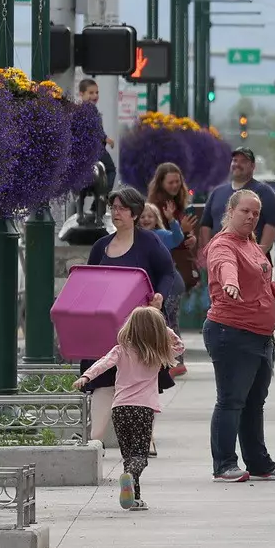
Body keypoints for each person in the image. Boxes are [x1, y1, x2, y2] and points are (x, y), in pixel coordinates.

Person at [201, 189, 275, 484]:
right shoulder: (223, 244)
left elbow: (257, 279)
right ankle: (224, 464)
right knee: (231, 400)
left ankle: (258, 463)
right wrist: (230, 284)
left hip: (260, 336)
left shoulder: (251, 243)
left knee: (254, 402)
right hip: (232, 332)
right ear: (230, 211)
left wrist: (274, 289)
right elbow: (224, 266)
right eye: (245, 211)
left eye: (256, 212)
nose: (252, 217)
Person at [81, 186, 182, 446]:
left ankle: (144, 439)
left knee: (142, 380)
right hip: (104, 325)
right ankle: (95, 442)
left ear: (135, 213)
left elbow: (167, 272)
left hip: (140, 325)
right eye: (113, 208)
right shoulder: (101, 246)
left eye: (122, 208)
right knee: (103, 380)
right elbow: (88, 280)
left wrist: (159, 296)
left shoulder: (149, 242)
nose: (116, 213)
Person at [72, 305, 183, 511]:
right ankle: (130, 478)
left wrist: (86, 376)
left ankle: (134, 498)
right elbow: (179, 346)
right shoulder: (158, 351)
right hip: (143, 410)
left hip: (120, 409)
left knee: (129, 455)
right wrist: (163, 328)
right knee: (140, 456)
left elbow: (103, 364)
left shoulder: (121, 350)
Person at [198, 148, 275, 257]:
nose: (237, 164)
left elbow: (273, 224)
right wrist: (209, 253)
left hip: (252, 263)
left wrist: (258, 255)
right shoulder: (217, 192)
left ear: (252, 166)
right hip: (221, 259)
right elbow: (206, 225)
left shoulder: (264, 192)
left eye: (243, 161)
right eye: (235, 160)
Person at [149, 162, 201, 291]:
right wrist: (182, 230)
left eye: (177, 181)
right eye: (170, 182)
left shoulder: (178, 202)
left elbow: (185, 232)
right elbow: (159, 238)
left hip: (185, 260)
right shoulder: (155, 208)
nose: (175, 185)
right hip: (172, 264)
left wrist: (192, 237)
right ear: (161, 183)